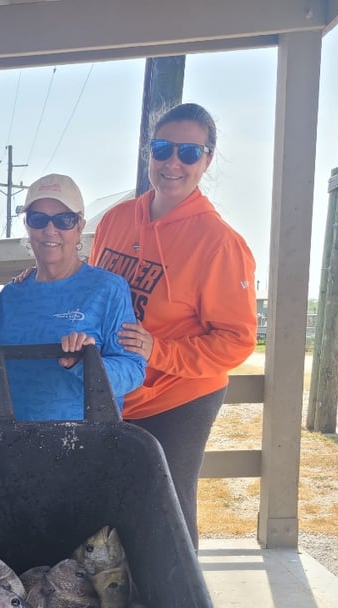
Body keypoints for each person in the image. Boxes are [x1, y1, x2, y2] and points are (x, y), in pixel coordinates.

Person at [89, 103, 257, 548]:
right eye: (162, 149)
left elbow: (236, 342)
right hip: (116, 389)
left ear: (207, 160)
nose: (173, 163)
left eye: (188, 152)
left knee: (168, 505)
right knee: (106, 500)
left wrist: (157, 350)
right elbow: (91, 290)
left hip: (178, 395)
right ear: (149, 152)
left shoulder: (220, 243)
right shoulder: (115, 220)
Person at [0, 173, 146, 421]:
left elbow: (133, 371)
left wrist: (85, 363)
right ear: (27, 225)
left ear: (80, 226)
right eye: (38, 219)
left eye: (64, 220)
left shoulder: (109, 289)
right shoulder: (9, 297)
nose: (50, 230)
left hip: (86, 447)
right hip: (10, 444)